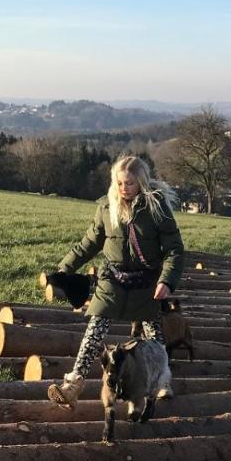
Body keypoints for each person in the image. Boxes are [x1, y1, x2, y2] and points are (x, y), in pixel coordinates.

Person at [49, 155, 185, 404]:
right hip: (112, 280)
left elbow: (174, 249)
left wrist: (166, 281)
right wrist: (63, 269)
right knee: (94, 332)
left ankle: (162, 384)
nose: (124, 189)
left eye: (130, 183)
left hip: (146, 284)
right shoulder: (106, 207)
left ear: (141, 183)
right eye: (120, 183)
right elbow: (89, 243)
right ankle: (72, 386)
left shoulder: (156, 208)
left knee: (154, 340)